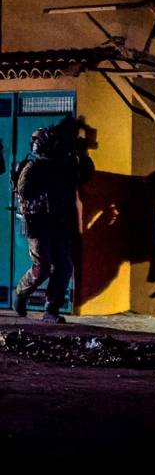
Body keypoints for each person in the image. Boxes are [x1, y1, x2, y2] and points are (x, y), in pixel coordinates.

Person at [13, 117, 95, 323]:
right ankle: (21, 293)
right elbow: (23, 194)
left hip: (59, 223)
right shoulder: (33, 167)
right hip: (38, 224)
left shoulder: (63, 166)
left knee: (64, 266)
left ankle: (51, 309)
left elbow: (85, 175)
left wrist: (82, 154)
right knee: (42, 268)